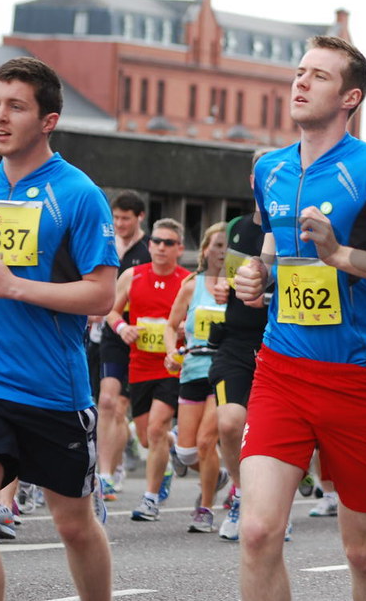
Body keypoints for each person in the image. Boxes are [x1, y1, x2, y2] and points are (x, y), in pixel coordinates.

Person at [233, 36, 366, 601]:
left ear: (350, 98)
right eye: (299, 72)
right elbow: (271, 250)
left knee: (364, 553)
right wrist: (258, 276)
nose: (300, 82)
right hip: (282, 371)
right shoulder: (269, 170)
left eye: (318, 76)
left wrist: (342, 256)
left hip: (360, 380)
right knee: (256, 531)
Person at [0, 57, 118, 601]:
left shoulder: (76, 194)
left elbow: (102, 293)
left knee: (73, 525)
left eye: (16, 107)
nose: (0, 118)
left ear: (47, 120)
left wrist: (15, 286)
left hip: (53, 389)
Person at [107, 218, 191, 522]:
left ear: (179, 249)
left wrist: (184, 328)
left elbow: (202, 318)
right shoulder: (132, 276)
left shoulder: (187, 281)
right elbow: (112, 310)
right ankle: (178, 449)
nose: (160, 247)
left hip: (172, 365)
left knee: (156, 428)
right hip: (139, 366)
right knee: (146, 438)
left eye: (168, 243)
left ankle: (151, 499)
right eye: (156, 241)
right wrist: (122, 328)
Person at [208, 149, 272, 540]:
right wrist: (220, 287)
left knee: (266, 431)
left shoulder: (292, 229)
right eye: (259, 175)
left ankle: (271, 504)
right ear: (251, 180)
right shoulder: (236, 226)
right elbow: (226, 279)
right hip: (234, 340)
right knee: (230, 421)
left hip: (276, 342)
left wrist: (265, 298)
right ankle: (241, 490)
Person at [163, 221, 229, 533]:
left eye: (227, 245)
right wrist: (170, 351)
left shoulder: (240, 285)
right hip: (192, 368)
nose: (222, 251)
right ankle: (218, 476)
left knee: (205, 441)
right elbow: (170, 324)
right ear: (205, 250)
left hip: (224, 369)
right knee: (187, 451)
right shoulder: (192, 285)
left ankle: (205, 507)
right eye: (216, 245)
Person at [97, 190, 151, 500]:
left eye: (125, 219)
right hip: (110, 333)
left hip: (142, 340)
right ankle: (105, 474)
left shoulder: (149, 250)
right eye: (115, 217)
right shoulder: (106, 244)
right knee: (105, 402)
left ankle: (118, 458)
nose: (119, 223)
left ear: (140, 217)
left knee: (120, 409)